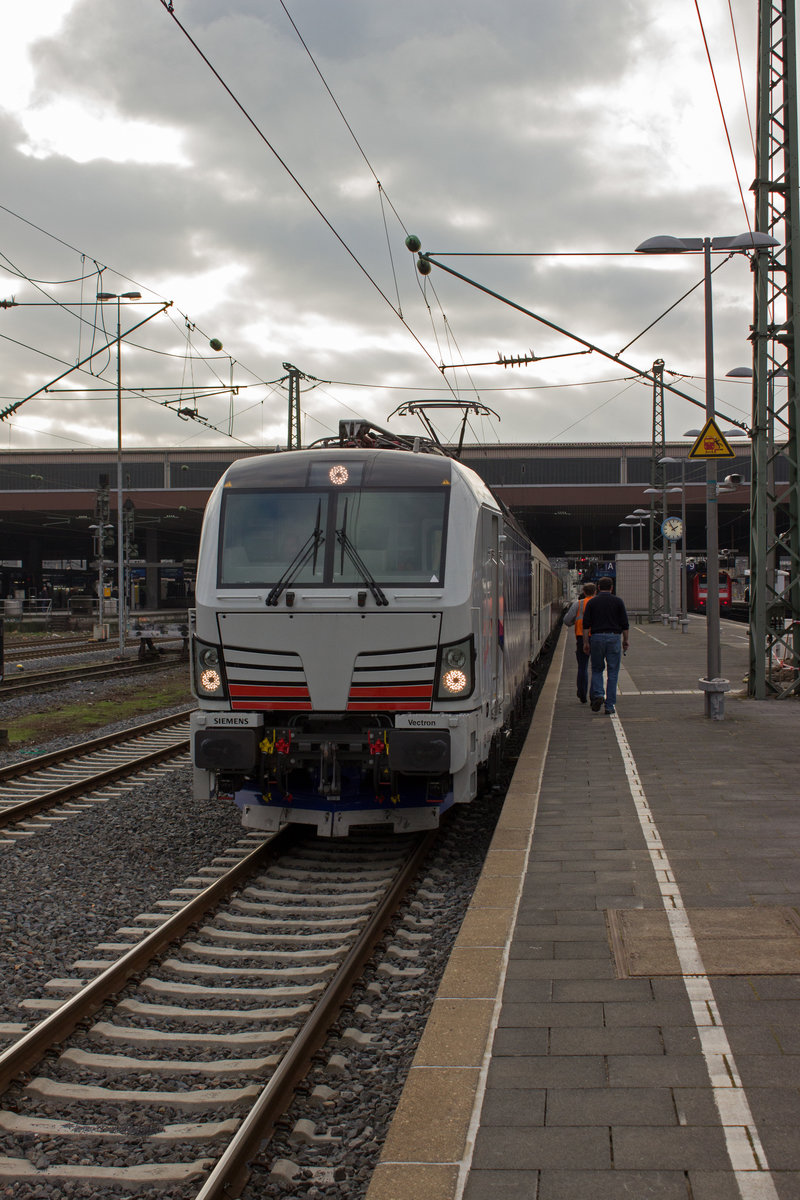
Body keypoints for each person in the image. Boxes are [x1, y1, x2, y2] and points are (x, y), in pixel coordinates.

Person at [582, 576, 629, 715]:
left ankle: (598, 695)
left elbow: (586, 626)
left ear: (598, 588)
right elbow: (625, 624)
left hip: (596, 638)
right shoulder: (618, 601)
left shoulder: (592, 603)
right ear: (612, 588)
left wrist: (585, 642)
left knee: (597, 669)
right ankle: (609, 706)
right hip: (614, 637)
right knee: (613, 672)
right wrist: (625, 640)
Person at [563, 582, 596, 703]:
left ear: (584, 591)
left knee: (582, 667)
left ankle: (582, 694)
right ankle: (594, 695)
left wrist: (574, 624)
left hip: (582, 638)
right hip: (597, 638)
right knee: (596, 668)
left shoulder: (579, 604)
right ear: (595, 592)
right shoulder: (598, 603)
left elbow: (566, 620)